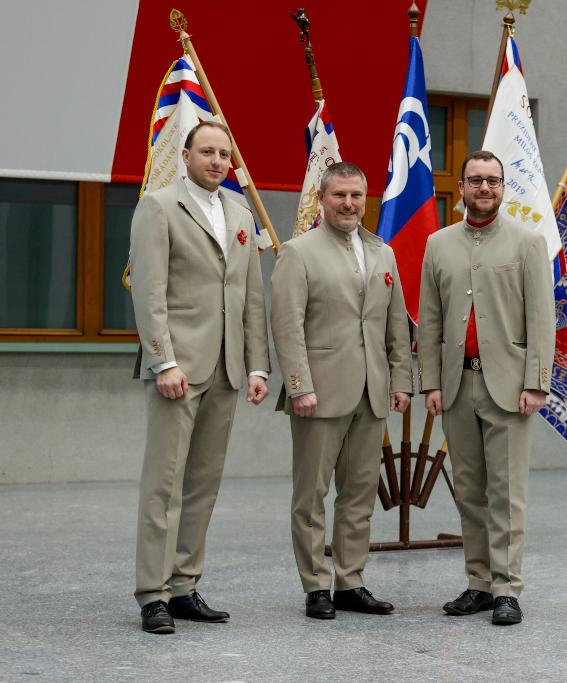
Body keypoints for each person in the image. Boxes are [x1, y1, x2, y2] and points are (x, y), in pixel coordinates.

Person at [130, 120, 271, 634]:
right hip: (180, 368)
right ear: (185, 156)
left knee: (203, 486)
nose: (216, 161)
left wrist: (257, 365)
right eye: (206, 151)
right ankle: (153, 594)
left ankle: (185, 585)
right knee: (163, 485)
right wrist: (163, 360)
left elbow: (252, 296)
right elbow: (149, 291)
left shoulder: (239, 213)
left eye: (223, 154)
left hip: (228, 369)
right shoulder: (159, 207)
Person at [418, 150, 555, 626]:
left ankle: (507, 588)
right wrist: (430, 381)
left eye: (493, 181)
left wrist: (537, 382)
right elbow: (430, 320)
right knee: (470, 491)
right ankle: (478, 583)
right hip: (457, 385)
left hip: (509, 386)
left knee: (507, 492)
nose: (484, 188)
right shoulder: (438, 244)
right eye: (475, 180)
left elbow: (541, 317)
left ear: (503, 188)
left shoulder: (527, 243)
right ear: (461, 188)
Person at [271, 161, 413, 620]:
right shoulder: (298, 252)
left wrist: (401, 380)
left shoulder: (383, 253)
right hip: (319, 393)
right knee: (311, 495)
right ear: (323, 199)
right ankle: (316, 585)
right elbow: (287, 325)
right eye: (339, 196)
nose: (349, 204)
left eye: (356, 195)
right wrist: (299, 385)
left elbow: (396, 324)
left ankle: (351, 581)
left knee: (359, 494)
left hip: (372, 393)